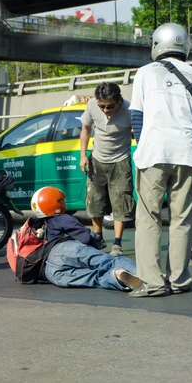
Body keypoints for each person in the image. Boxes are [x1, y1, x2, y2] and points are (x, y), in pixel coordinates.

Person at [129, 23, 192, 297]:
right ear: (184, 45)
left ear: (156, 44)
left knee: (149, 219)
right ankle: (178, 281)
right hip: (188, 154)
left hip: (153, 153)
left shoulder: (144, 73)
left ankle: (153, 283)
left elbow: (137, 118)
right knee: (182, 220)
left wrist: (142, 148)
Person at [31, 187, 142, 291]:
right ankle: (147, 276)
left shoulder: (38, 226)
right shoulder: (62, 218)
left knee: (95, 277)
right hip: (64, 249)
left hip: (50, 272)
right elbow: (84, 237)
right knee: (110, 261)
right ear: (56, 204)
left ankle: (117, 276)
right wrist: (94, 245)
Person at [79, 82, 135, 257]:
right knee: (94, 202)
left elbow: (141, 133)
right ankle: (98, 237)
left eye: (110, 106)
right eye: (101, 106)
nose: (105, 110)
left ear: (119, 100)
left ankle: (117, 243)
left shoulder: (130, 110)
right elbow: (85, 129)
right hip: (97, 159)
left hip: (120, 161)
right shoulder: (91, 106)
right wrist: (83, 156)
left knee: (121, 201)